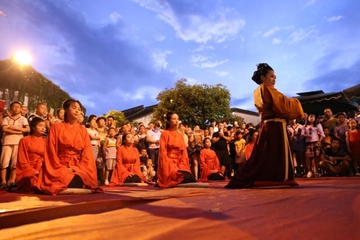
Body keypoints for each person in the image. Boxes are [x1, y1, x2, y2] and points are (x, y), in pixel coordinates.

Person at [226, 63, 304, 189]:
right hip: (275, 125)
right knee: (271, 154)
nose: (274, 79)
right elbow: (282, 106)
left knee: (266, 154)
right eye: (271, 76)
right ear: (263, 77)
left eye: (275, 77)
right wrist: (295, 102)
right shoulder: (267, 89)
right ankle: (275, 177)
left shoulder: (258, 91)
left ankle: (268, 175)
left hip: (269, 125)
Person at [36, 99, 100, 195]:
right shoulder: (56, 127)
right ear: (66, 109)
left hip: (77, 165)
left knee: (81, 178)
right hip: (58, 165)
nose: (77, 111)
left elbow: (87, 153)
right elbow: (51, 151)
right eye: (74, 108)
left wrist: (77, 168)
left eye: (79, 109)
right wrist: (61, 167)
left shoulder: (82, 130)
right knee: (64, 178)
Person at [157, 112, 196, 187]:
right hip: (169, 162)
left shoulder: (179, 135)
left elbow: (184, 152)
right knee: (178, 176)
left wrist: (183, 163)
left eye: (177, 119)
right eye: (174, 119)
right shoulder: (165, 134)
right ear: (168, 121)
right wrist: (167, 165)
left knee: (189, 177)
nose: (176, 121)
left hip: (179, 162)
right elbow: (162, 152)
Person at [1, 101, 30, 189]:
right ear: (11, 108)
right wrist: (18, 131)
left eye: (18, 107)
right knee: (4, 162)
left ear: (21, 109)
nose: (16, 108)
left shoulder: (23, 119)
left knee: (15, 163)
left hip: (18, 142)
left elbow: (27, 129)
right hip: (7, 141)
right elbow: (4, 129)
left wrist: (15, 128)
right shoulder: (6, 119)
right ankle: (3, 181)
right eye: (14, 106)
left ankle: (12, 180)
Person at [16, 117, 46, 192]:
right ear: (33, 127)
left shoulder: (46, 141)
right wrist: (32, 170)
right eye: (40, 126)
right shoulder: (24, 140)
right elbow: (21, 159)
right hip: (28, 167)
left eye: (44, 126)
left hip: (42, 167)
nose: (43, 128)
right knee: (31, 181)